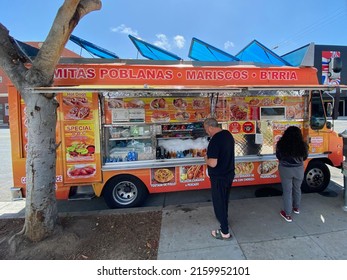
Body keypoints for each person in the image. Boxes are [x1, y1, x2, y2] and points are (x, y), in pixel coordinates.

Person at [203, 118, 235, 240]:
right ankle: (224, 219)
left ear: (210, 127)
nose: (207, 132)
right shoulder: (227, 134)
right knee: (224, 199)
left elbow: (213, 163)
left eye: (206, 130)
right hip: (229, 174)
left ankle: (224, 232)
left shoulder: (215, 140)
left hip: (219, 177)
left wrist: (205, 158)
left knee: (219, 202)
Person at [276, 126, 308, 222]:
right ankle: (296, 208)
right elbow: (305, 157)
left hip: (285, 170)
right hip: (299, 170)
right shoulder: (303, 145)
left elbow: (278, 156)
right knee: (297, 189)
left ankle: (288, 214)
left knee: (287, 191)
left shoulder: (281, 144)